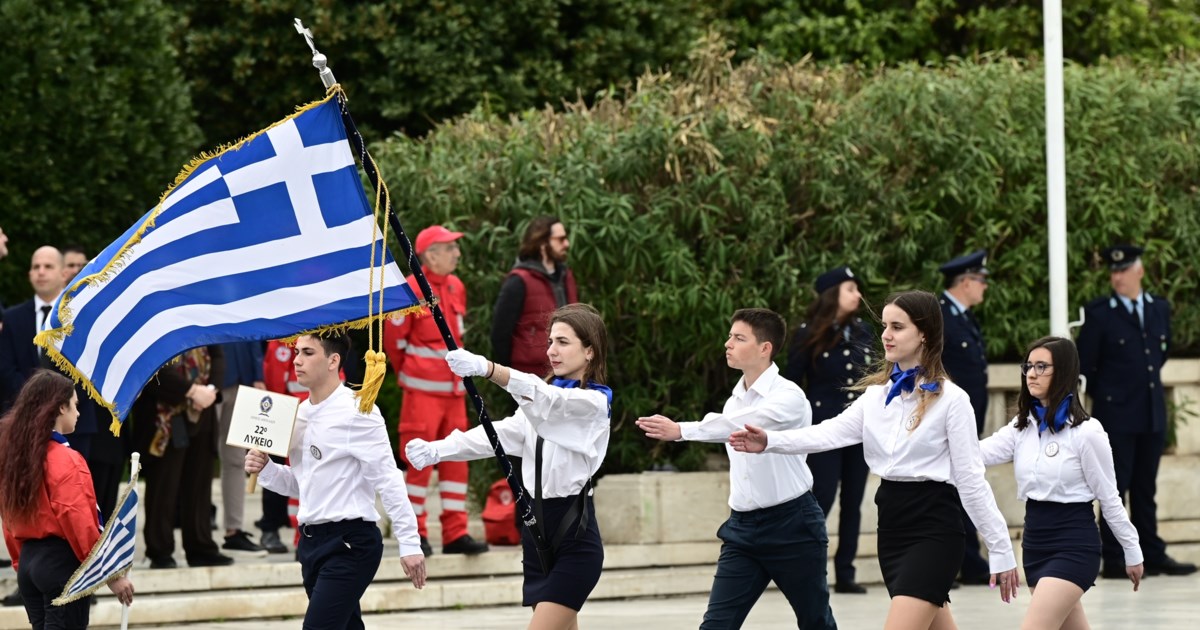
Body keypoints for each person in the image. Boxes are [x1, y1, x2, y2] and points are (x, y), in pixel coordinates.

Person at [731, 290, 1019, 630]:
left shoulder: (953, 401)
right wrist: (770, 441)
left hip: (935, 527)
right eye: (884, 325)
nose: (885, 335)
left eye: (897, 326)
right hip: (893, 526)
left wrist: (1000, 549)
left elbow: (971, 479)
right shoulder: (875, 397)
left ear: (924, 333)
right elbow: (828, 434)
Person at [407, 304, 610, 630]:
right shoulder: (542, 402)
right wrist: (438, 450)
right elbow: (497, 435)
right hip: (536, 537)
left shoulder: (593, 404)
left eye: (563, 342)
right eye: (550, 341)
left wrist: (488, 369)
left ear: (589, 351)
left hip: (574, 539)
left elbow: (549, 403)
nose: (552, 351)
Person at [638, 308, 837, 628]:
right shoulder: (735, 400)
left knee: (815, 621)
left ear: (765, 348)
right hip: (742, 529)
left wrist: (682, 430)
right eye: (730, 336)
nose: (727, 343)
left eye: (738, 337)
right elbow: (731, 420)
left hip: (793, 526)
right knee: (716, 625)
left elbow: (742, 425)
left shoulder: (789, 397)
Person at [245, 333, 426, 629]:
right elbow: (301, 485)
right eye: (296, 352)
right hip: (311, 544)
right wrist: (265, 468)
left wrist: (409, 542)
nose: (297, 360)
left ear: (333, 361)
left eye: (307, 352)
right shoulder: (297, 415)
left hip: (351, 543)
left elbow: (388, 479)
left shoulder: (359, 412)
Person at [978, 336, 1143, 629]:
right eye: (1028, 366)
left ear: (1064, 371)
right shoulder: (1021, 427)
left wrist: (1132, 550)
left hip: (1074, 543)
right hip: (1034, 542)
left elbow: (1109, 496)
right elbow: (976, 454)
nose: (1031, 373)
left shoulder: (1087, 433)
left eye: (1042, 367)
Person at [1076, 244, 1196, 578]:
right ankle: (1114, 558)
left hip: (1151, 411)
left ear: (1139, 271)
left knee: (1146, 487)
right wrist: (1111, 397)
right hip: (1116, 414)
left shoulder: (1158, 307)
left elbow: (1161, 352)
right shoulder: (1100, 312)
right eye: (1114, 272)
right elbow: (1088, 363)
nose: (1117, 278)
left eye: (1124, 271)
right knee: (1116, 487)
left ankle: (1151, 553)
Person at [0, 370, 134, 628]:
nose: (79, 413)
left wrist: (20, 561)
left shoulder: (15, 457)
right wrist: (111, 576)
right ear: (61, 407)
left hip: (29, 562)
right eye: (75, 405)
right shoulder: (66, 459)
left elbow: (9, 517)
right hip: (59, 564)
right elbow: (79, 520)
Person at [385, 225, 487, 556]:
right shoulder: (410, 290)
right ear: (431, 255)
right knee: (418, 462)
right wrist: (414, 377)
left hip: (455, 395)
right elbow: (395, 345)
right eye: (450, 248)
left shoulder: (456, 286)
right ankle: (415, 534)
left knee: (457, 461)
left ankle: (456, 533)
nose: (457, 253)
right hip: (422, 396)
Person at [784, 266, 873, 595]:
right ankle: (811, 569)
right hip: (824, 428)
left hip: (858, 428)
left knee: (854, 501)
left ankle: (845, 572)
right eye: (851, 288)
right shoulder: (808, 332)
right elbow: (792, 382)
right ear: (832, 293)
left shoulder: (863, 331)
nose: (858, 295)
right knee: (821, 499)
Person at [132, 345, 233, 569]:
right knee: (163, 486)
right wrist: (190, 391)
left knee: (199, 484)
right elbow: (149, 364)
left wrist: (210, 391)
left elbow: (217, 354)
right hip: (164, 417)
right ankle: (160, 551)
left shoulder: (204, 313)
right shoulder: (155, 317)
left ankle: (201, 548)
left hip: (203, 411)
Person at [937, 249, 992, 585]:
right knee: (949, 490)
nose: (984, 287)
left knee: (964, 484)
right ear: (966, 282)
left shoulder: (963, 317)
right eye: (981, 281)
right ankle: (957, 561)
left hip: (966, 419)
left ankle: (969, 561)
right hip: (947, 421)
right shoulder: (941, 317)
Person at [491, 216, 578, 377]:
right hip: (530, 377)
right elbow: (500, 334)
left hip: (565, 374)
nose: (567, 244)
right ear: (542, 243)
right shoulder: (519, 281)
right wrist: (514, 377)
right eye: (560, 239)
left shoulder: (566, 276)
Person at [215, 341, 268, 556]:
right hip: (208, 382)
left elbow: (252, 330)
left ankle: (233, 530)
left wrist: (257, 376)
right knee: (196, 459)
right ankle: (195, 533)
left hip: (242, 381)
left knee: (236, 460)